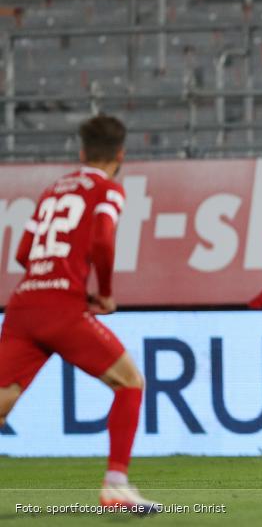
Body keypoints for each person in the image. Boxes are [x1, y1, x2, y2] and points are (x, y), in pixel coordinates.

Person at [0, 115, 161, 513]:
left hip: (23, 307)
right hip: (63, 310)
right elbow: (103, 238)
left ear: (82, 152)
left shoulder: (53, 190)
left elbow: (22, 252)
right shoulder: (109, 189)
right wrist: (104, 293)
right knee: (130, 382)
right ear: (120, 155)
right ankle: (116, 487)